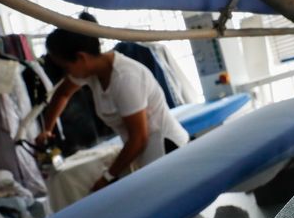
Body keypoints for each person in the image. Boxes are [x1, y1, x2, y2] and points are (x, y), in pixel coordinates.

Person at [37, 13, 189, 191]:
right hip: (145, 153)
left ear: (81, 58)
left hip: (167, 150)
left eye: (66, 67)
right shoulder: (92, 72)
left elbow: (139, 138)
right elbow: (62, 94)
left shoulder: (125, 78)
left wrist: (107, 178)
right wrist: (47, 129)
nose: (66, 73)